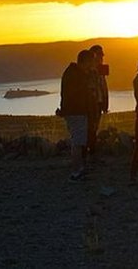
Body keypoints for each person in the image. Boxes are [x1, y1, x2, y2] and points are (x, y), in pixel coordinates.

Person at [59, 49, 96, 182]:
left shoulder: (73, 73)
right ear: (85, 61)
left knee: (79, 141)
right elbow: (75, 94)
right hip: (76, 112)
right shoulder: (76, 75)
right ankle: (76, 172)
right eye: (91, 61)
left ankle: (79, 169)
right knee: (77, 142)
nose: (93, 65)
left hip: (76, 112)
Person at [86, 44, 109, 164]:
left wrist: (105, 103)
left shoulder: (99, 70)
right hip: (92, 104)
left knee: (94, 128)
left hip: (98, 103)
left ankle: (92, 154)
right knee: (91, 129)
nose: (102, 57)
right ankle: (90, 155)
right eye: (100, 54)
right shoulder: (88, 70)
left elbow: (103, 87)